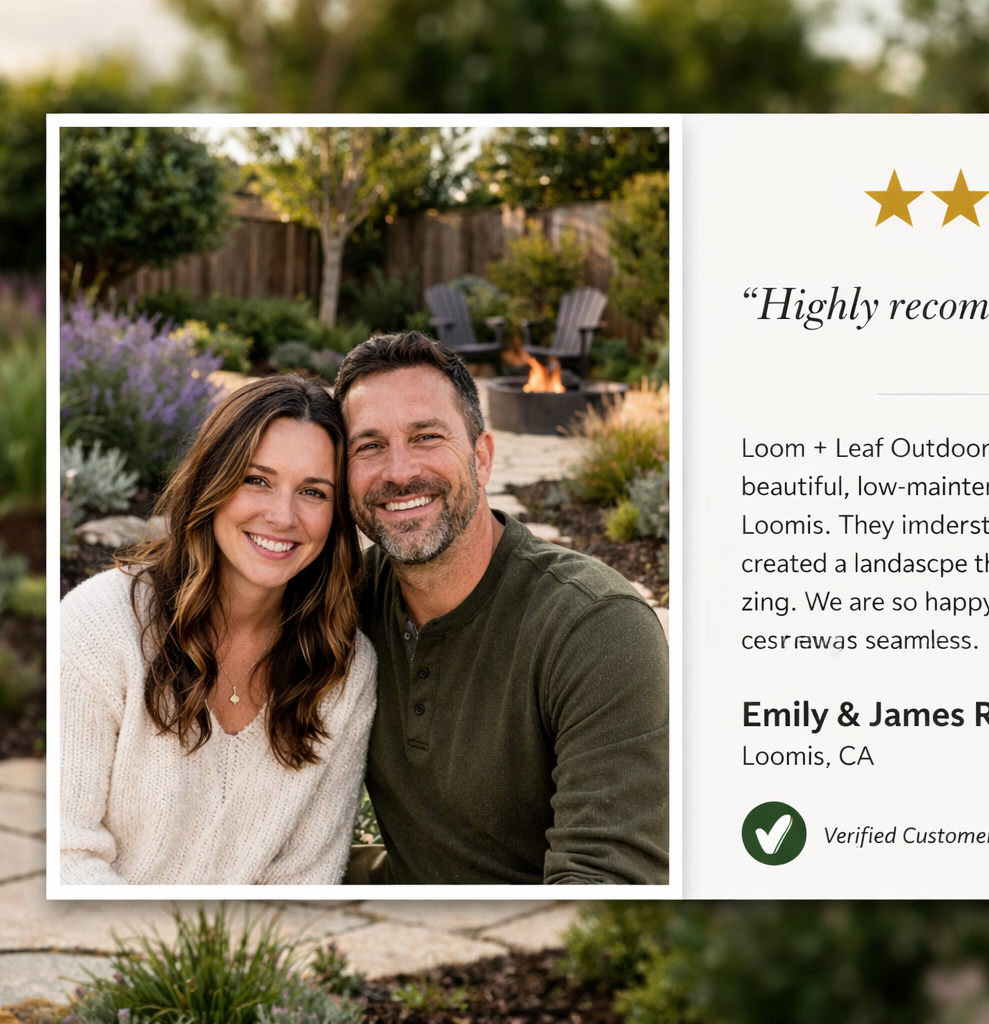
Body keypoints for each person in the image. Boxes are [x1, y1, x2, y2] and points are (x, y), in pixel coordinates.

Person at [335, 332, 668, 885]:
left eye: (426, 436)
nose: (398, 470)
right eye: (368, 446)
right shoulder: (342, 606)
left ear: (482, 458)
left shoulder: (596, 627)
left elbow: (604, 886)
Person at [59, 375, 377, 885]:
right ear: (213, 480)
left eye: (313, 492)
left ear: (337, 517)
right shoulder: (101, 627)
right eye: (257, 480)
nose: (282, 515)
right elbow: (65, 856)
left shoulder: (342, 668)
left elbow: (305, 879)